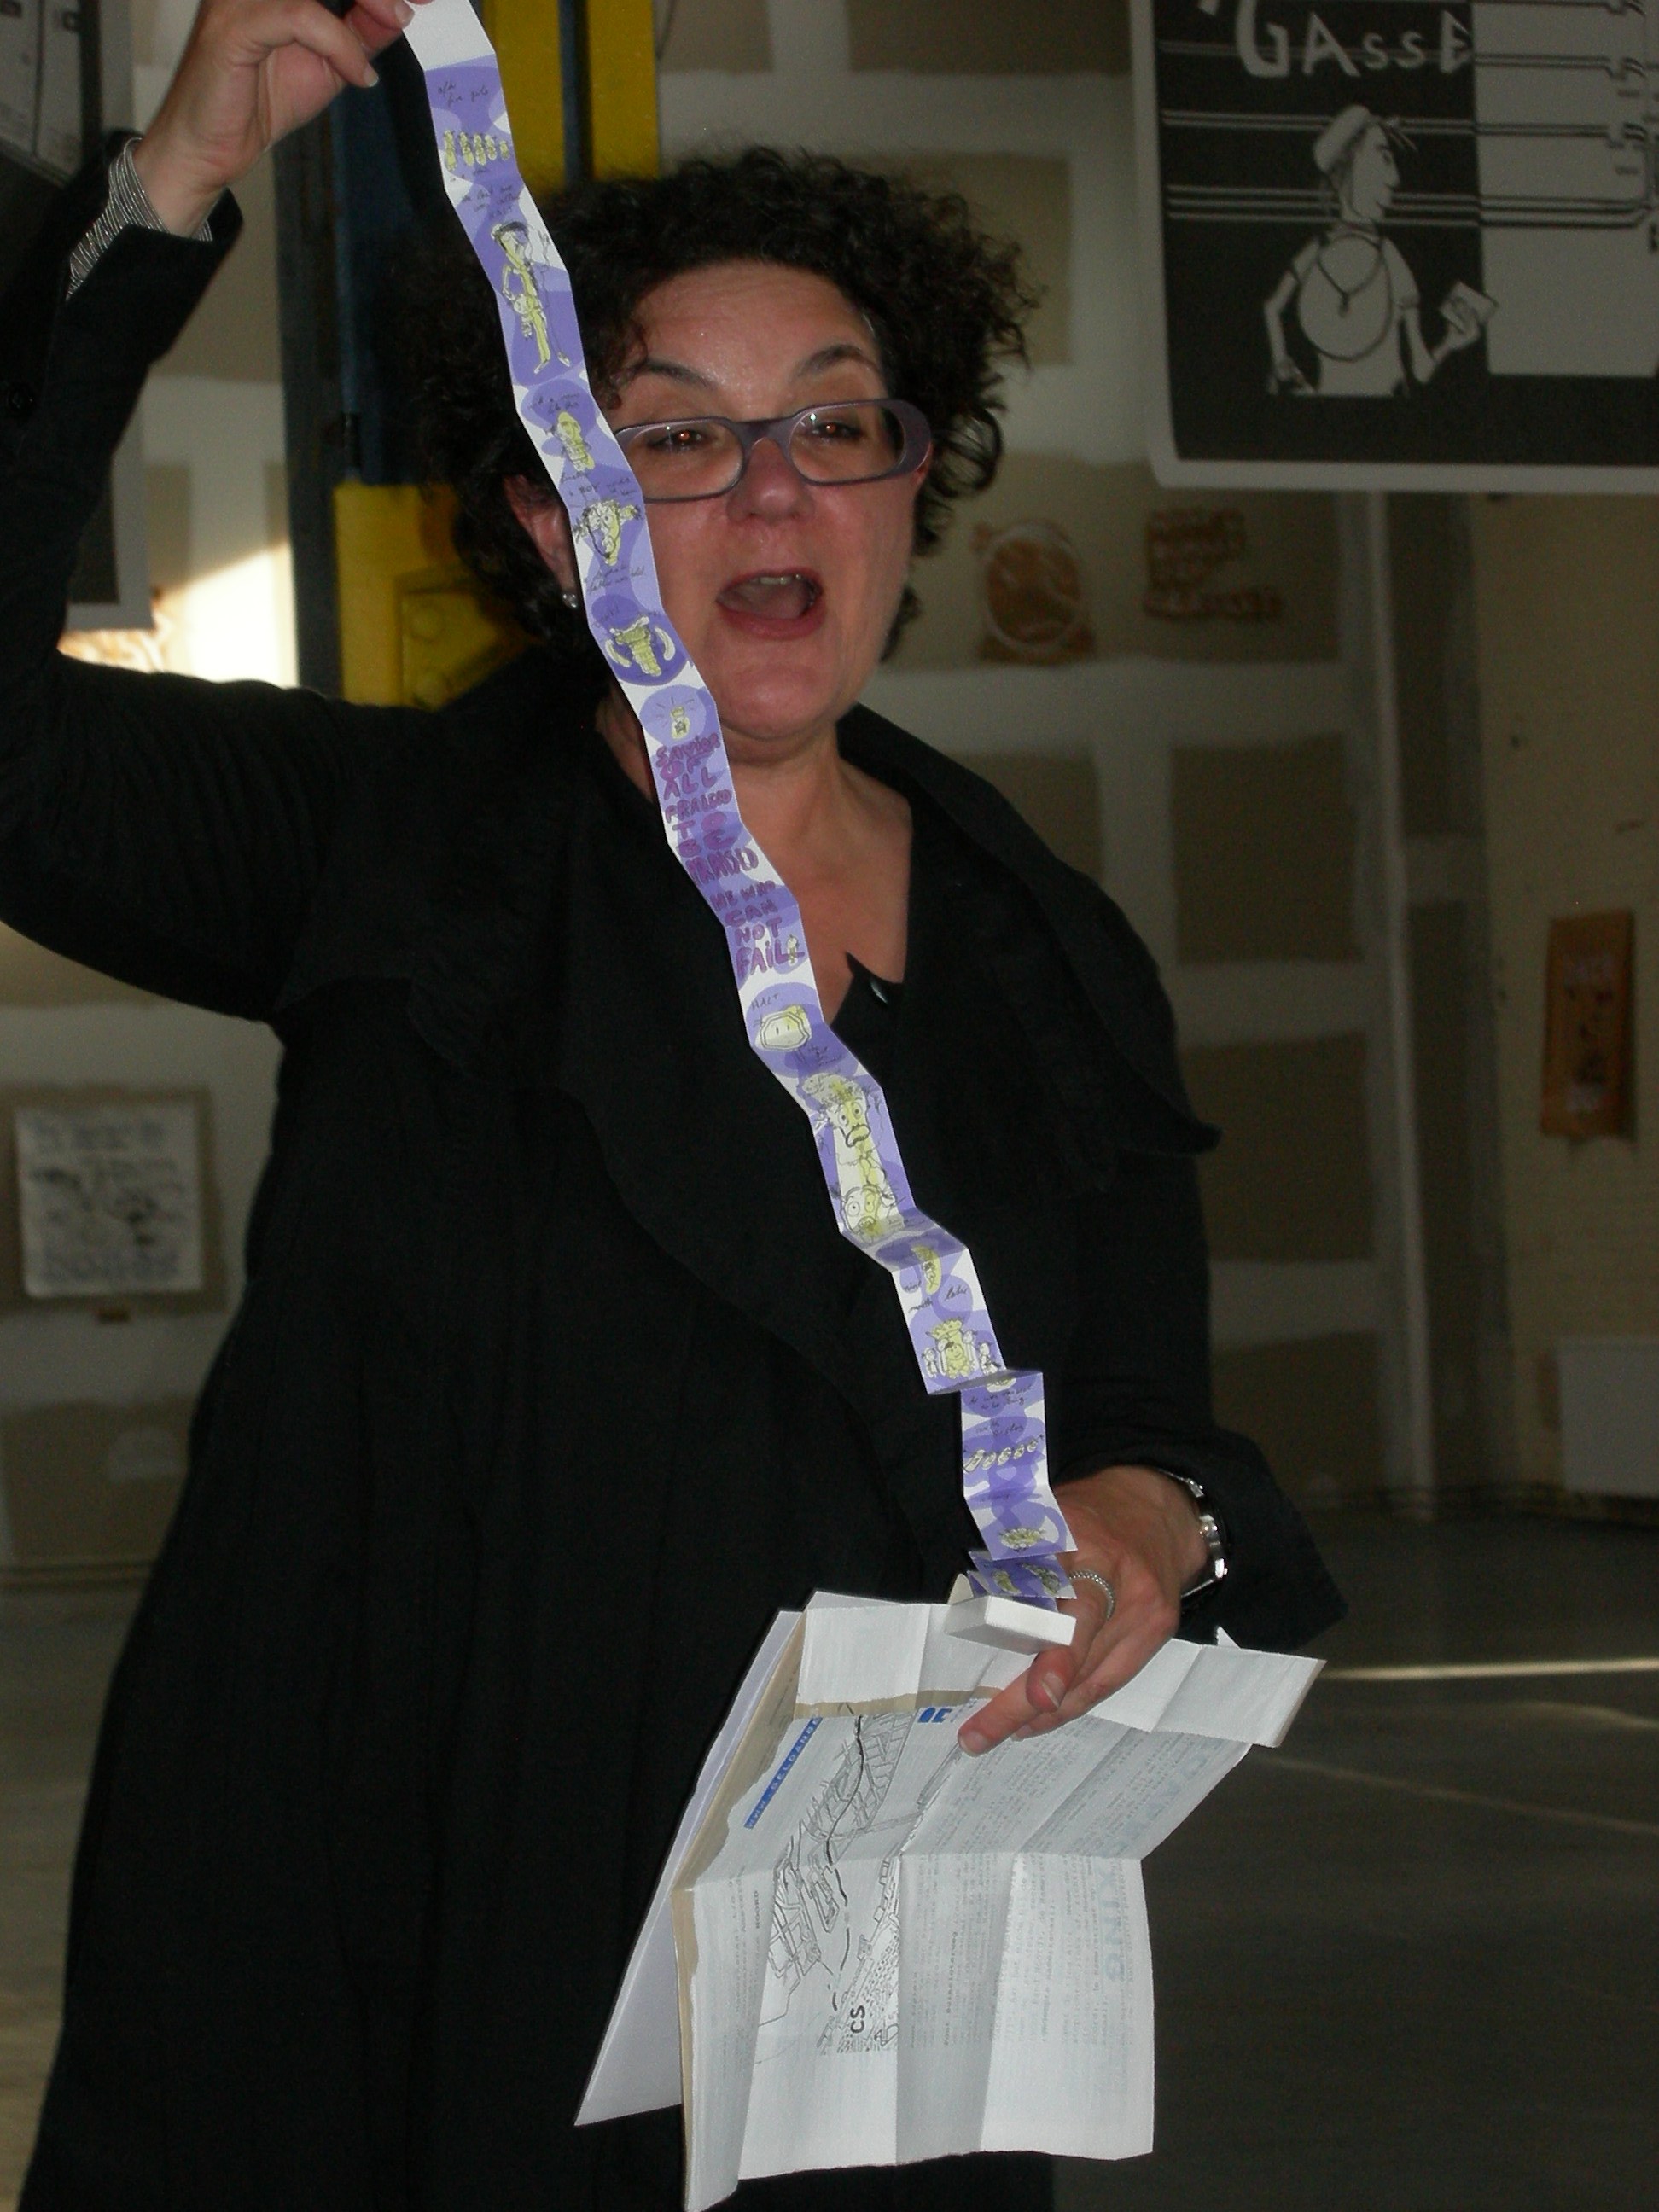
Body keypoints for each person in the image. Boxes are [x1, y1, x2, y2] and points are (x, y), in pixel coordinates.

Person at [1, 2, 1344, 2204]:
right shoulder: (385, 851)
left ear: (913, 482)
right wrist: (167, 194)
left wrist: (1146, 1521)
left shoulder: (1042, 950)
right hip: (398, 1921)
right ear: (554, 520)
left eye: (835, 423)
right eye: (676, 438)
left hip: (858, 1965)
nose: (773, 488)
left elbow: (1142, 1405)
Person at [1264, 103, 1486, 397]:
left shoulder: (1389, 256)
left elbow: (1420, 369)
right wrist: (1282, 366)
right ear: (1347, 164)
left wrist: (1450, 342)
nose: (1394, 179)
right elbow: (1271, 308)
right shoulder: (1317, 250)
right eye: (1383, 158)